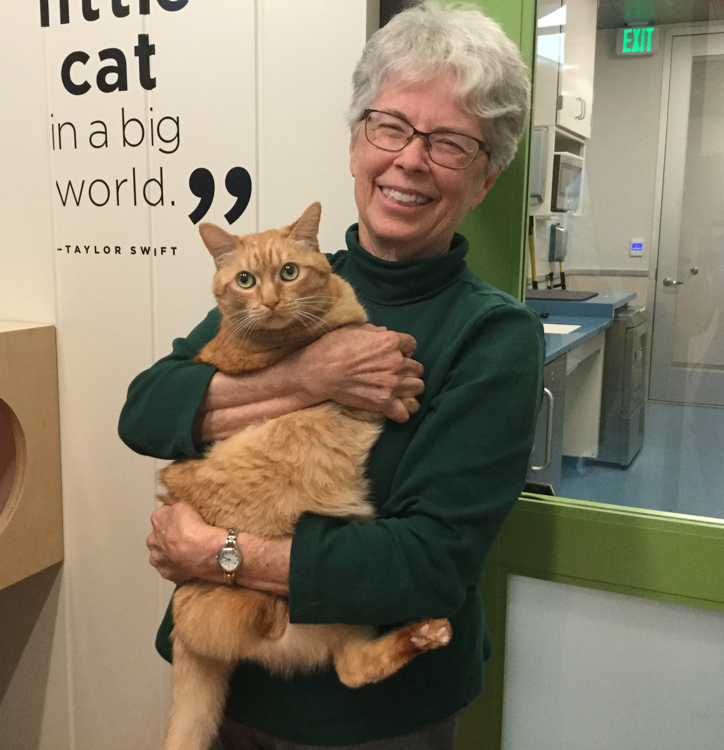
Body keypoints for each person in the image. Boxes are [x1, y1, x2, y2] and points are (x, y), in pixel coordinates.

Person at [118, 2, 545, 747]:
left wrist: (220, 553)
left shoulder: (493, 335)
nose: (409, 159)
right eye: (391, 127)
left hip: (373, 719)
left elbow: (426, 565)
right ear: (356, 145)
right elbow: (148, 410)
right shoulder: (282, 285)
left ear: (486, 179)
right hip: (232, 671)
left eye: (448, 143)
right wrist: (311, 374)